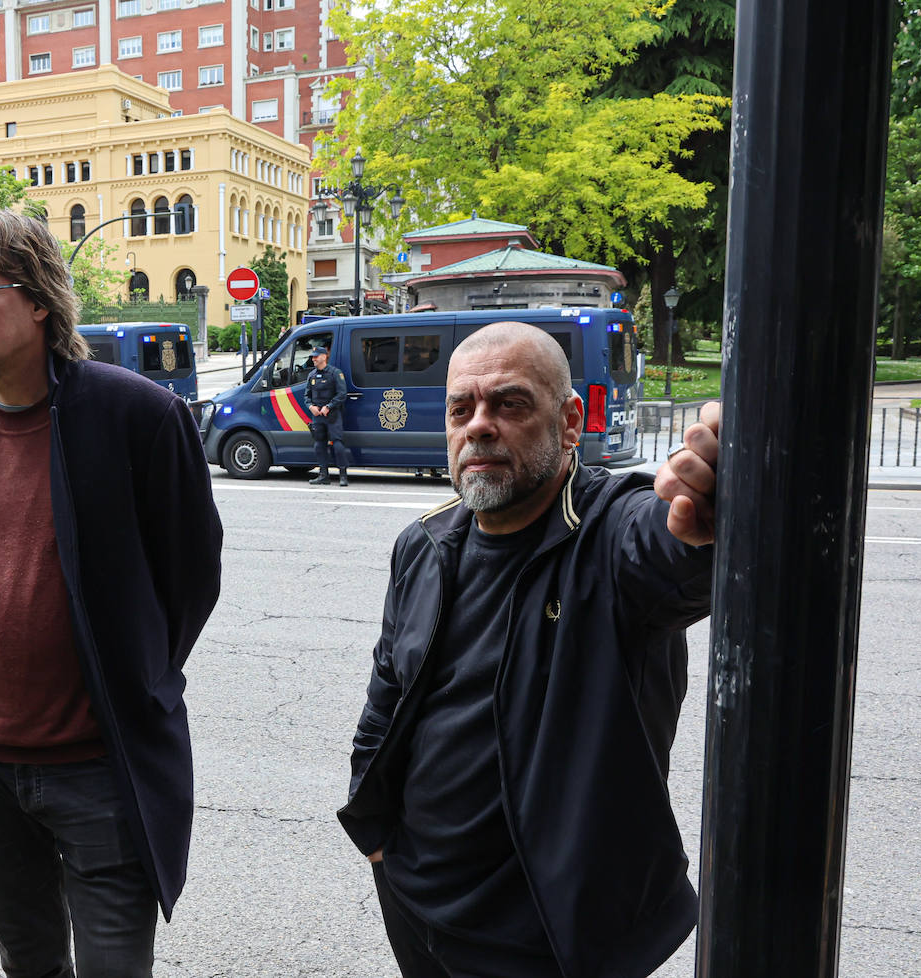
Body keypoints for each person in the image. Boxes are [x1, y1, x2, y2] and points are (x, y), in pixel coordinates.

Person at [338, 323, 718, 978]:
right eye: (462, 408)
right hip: (415, 898)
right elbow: (387, 699)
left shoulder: (608, 532)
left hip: (542, 933)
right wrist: (375, 835)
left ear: (570, 423)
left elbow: (672, 544)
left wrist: (721, 493)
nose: (479, 426)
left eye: (510, 404)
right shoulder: (425, 544)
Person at [0, 208, 223, 978]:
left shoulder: (139, 416)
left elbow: (191, 576)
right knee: (29, 961)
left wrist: (138, 677)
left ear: (41, 299)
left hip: (98, 767)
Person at [304, 346, 351, 486]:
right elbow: (307, 395)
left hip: (332, 415)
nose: (313, 359)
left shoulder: (335, 373)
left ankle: (343, 475)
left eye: (316, 356)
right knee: (319, 445)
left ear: (324, 357)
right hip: (317, 416)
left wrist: (329, 406)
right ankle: (323, 475)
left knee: (337, 444)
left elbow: (342, 394)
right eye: (312, 356)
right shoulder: (311, 375)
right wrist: (310, 406)